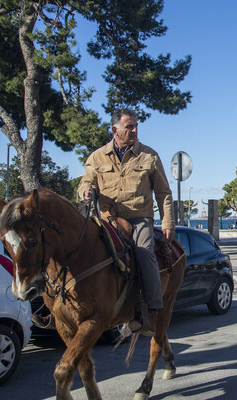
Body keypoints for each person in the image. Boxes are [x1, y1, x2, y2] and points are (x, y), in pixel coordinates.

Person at [78, 108, 175, 336]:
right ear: (115, 130)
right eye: (129, 126)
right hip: (106, 218)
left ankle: (151, 310)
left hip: (138, 218)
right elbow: (84, 182)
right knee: (77, 248)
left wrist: (168, 222)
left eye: (135, 126)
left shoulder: (149, 156)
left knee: (144, 252)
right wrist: (85, 191)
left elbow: (163, 193)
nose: (134, 130)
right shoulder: (96, 157)